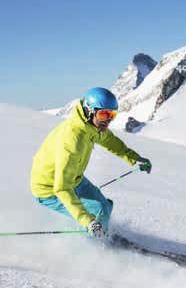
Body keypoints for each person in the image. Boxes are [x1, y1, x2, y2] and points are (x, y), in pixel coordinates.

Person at [30, 87, 152, 237]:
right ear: (89, 110)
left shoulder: (92, 126)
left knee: (105, 207)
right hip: (49, 188)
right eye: (103, 114)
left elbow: (109, 140)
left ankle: (102, 234)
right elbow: (61, 188)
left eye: (112, 115)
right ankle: (94, 246)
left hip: (73, 179)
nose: (108, 120)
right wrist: (87, 221)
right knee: (98, 211)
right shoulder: (72, 141)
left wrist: (134, 158)